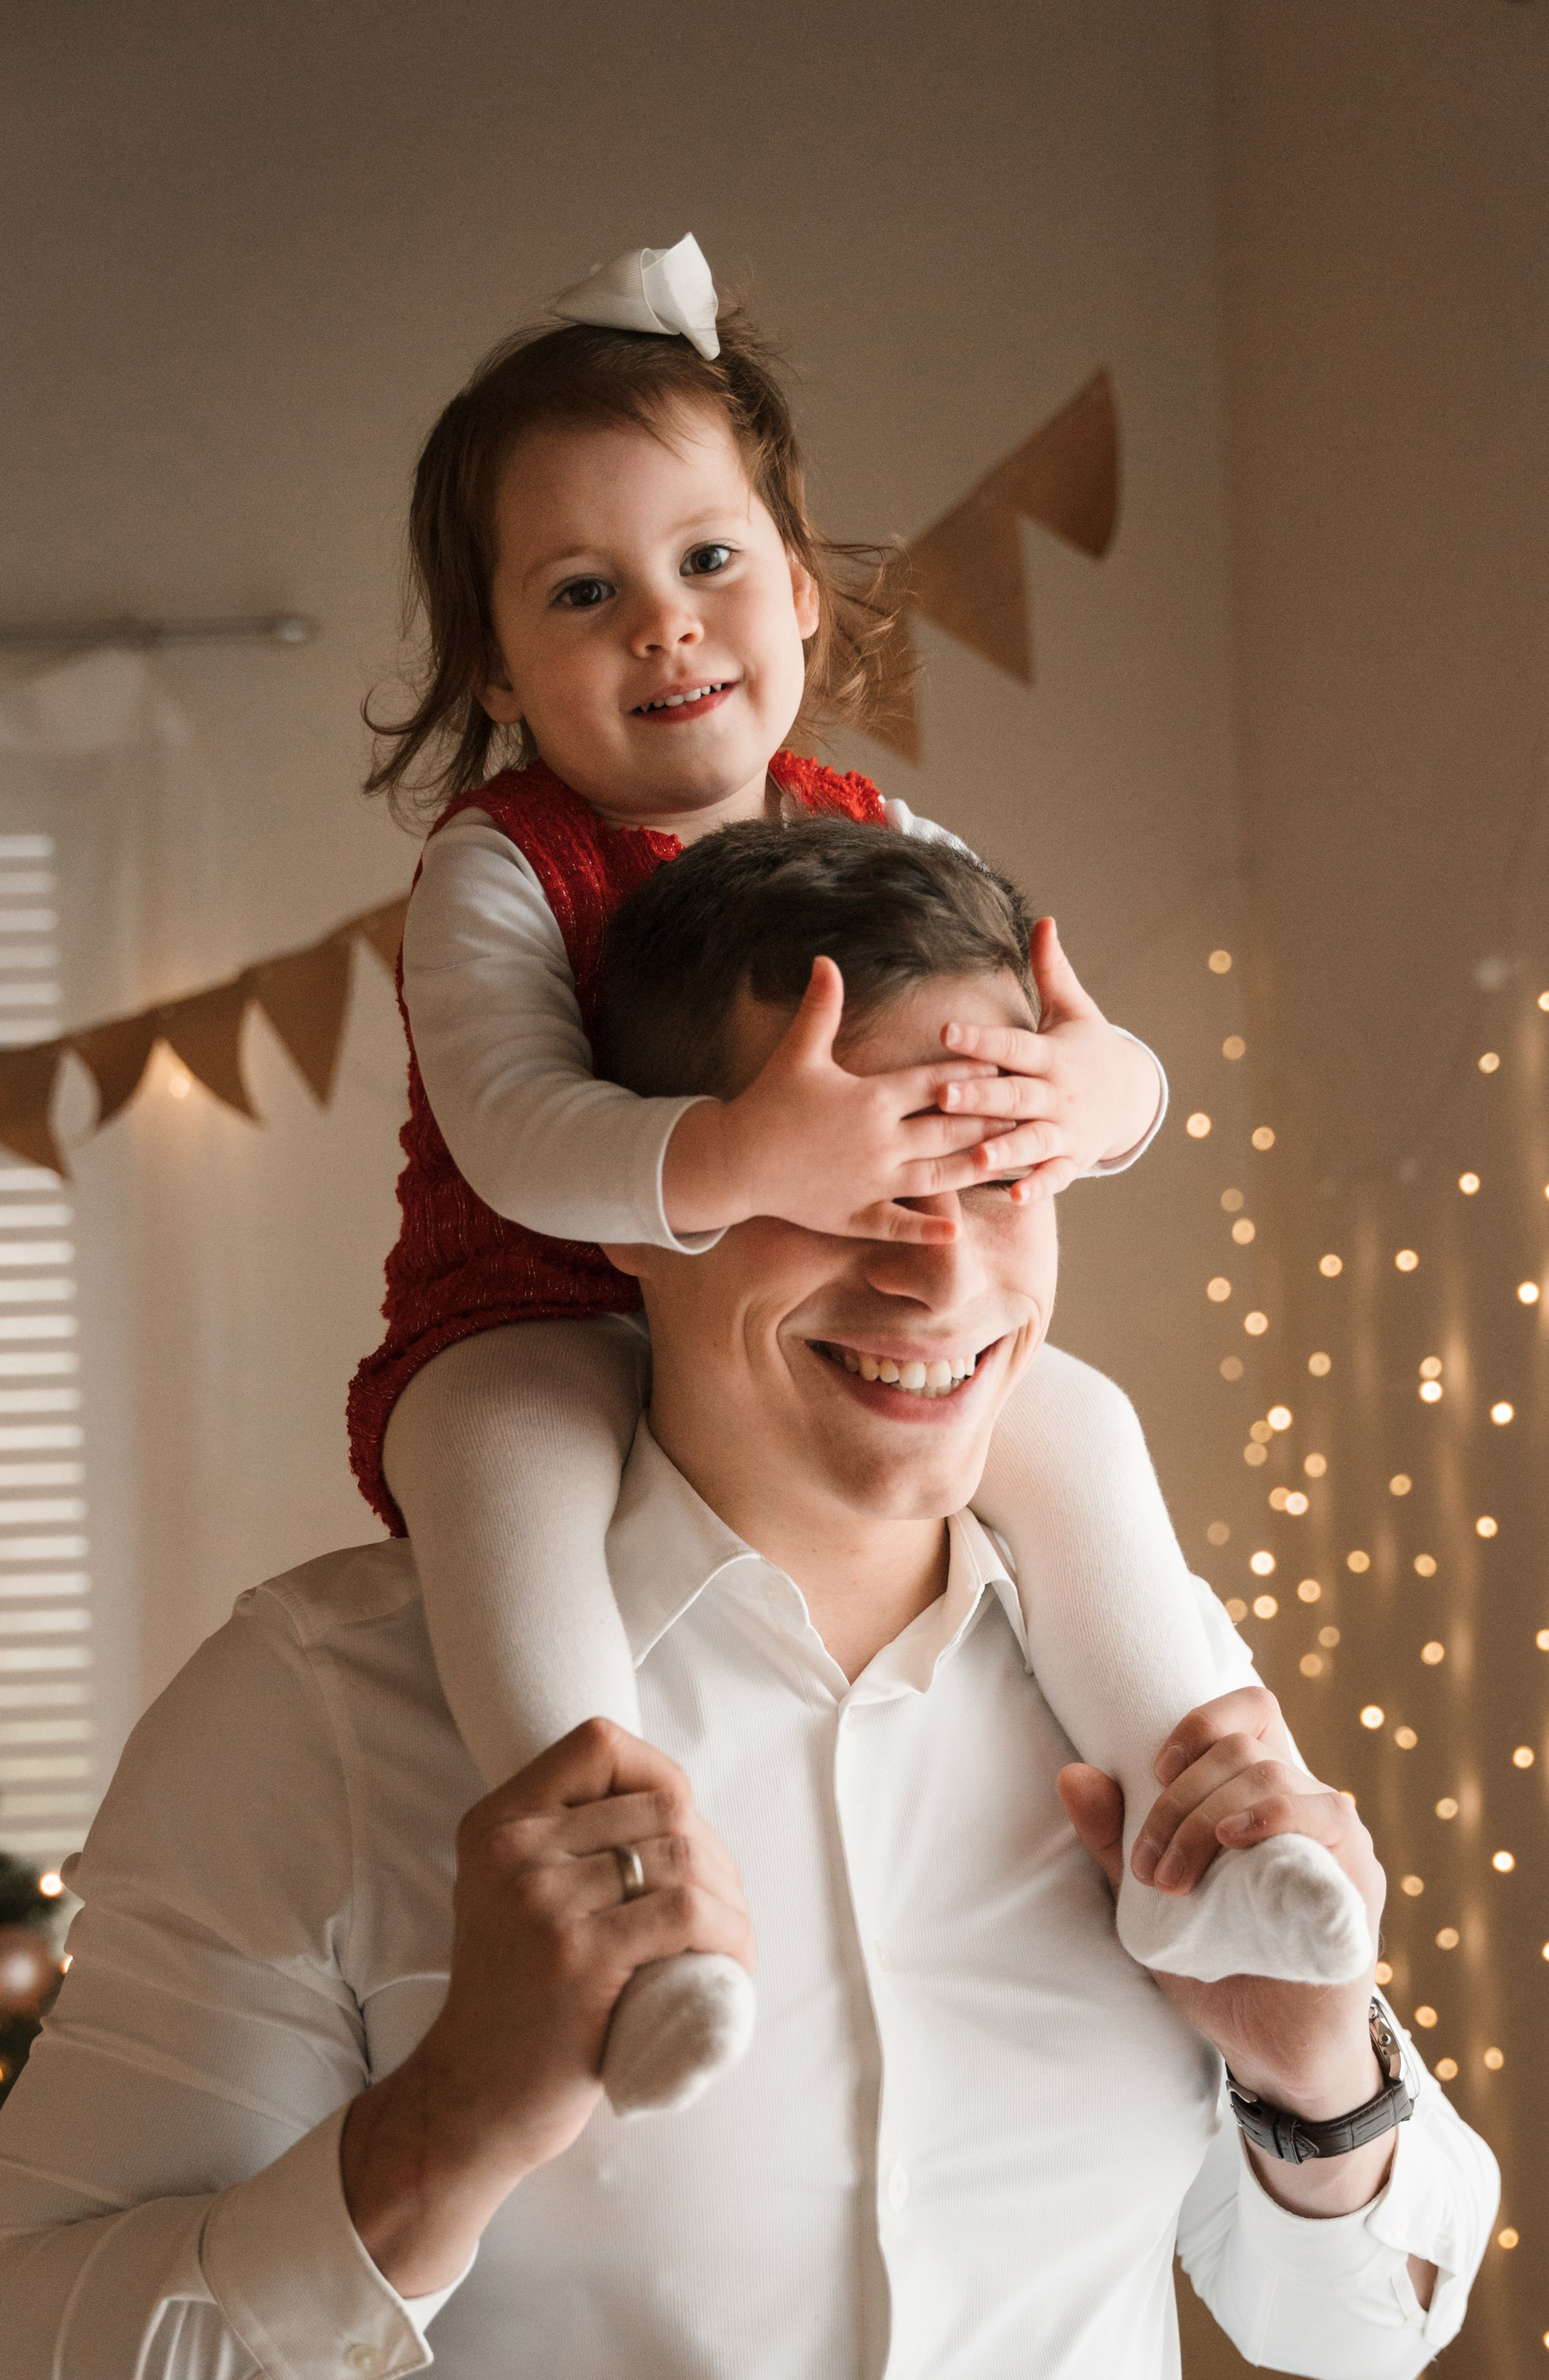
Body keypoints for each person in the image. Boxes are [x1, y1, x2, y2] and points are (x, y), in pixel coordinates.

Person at [0, 821, 1498, 2380]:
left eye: (985, 1166)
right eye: (838, 1175)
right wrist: (452, 2121)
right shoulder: (324, 1723)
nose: (935, 1258)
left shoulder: (1145, 1696)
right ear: (636, 1209)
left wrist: (1316, 2082)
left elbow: (1370, 2320)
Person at [346, 233, 1372, 2119]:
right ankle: (634, 1919)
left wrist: (1095, 1090)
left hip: (784, 1328)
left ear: (802, 597)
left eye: (708, 561)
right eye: (586, 590)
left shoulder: (874, 829)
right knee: (497, 1483)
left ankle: (1213, 1834)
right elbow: (511, 1128)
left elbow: (1078, 1036)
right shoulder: (498, 866)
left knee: (1076, 1429)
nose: (664, 622)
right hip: (526, 1304)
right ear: (499, 661)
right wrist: (740, 1155)